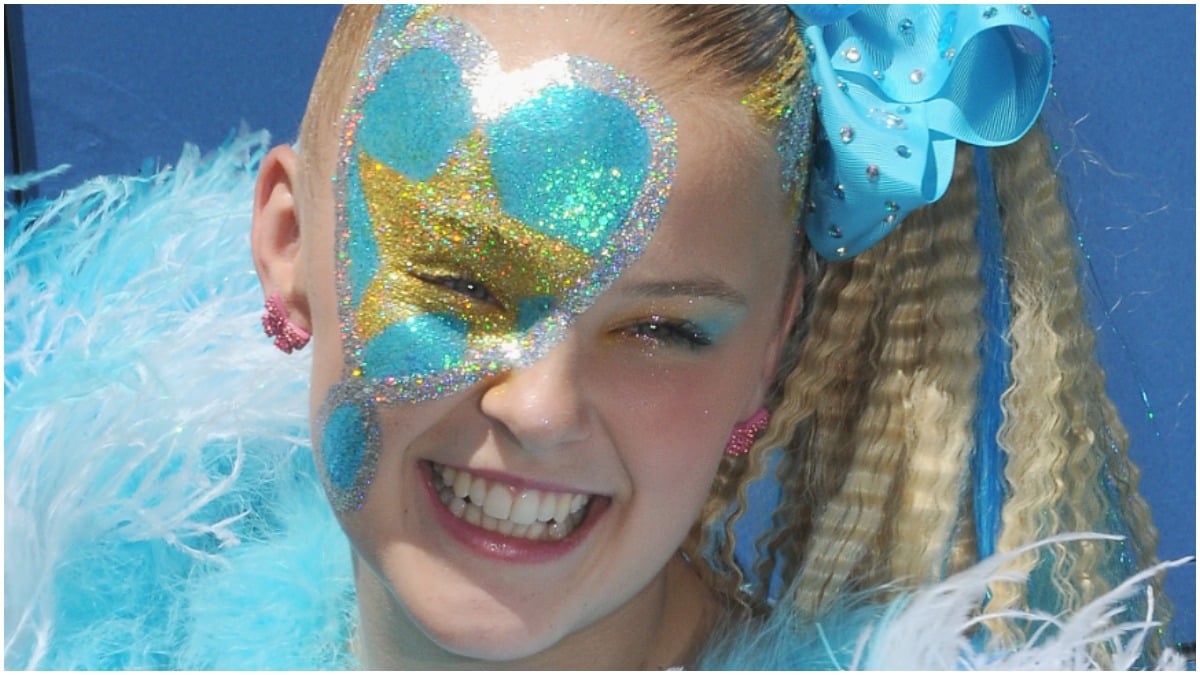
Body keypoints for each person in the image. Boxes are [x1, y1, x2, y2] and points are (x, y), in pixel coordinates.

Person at [5, 4, 1182, 669]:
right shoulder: (100, 611)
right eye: (465, 275)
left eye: (663, 328)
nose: (543, 407)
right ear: (287, 241)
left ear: (770, 343)